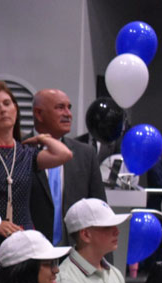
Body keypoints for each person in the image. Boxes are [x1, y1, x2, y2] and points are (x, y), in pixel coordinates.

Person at [0, 81, 72, 281]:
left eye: (7, 103)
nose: (3, 110)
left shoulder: (26, 153)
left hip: (23, 239)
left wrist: (42, 139)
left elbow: (64, 155)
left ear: (16, 109)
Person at [29, 89, 106, 246]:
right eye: (60, 107)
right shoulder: (20, 150)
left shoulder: (86, 154)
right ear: (38, 113)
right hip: (31, 253)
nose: (68, 114)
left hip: (74, 254)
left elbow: (100, 211)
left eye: (69, 107)